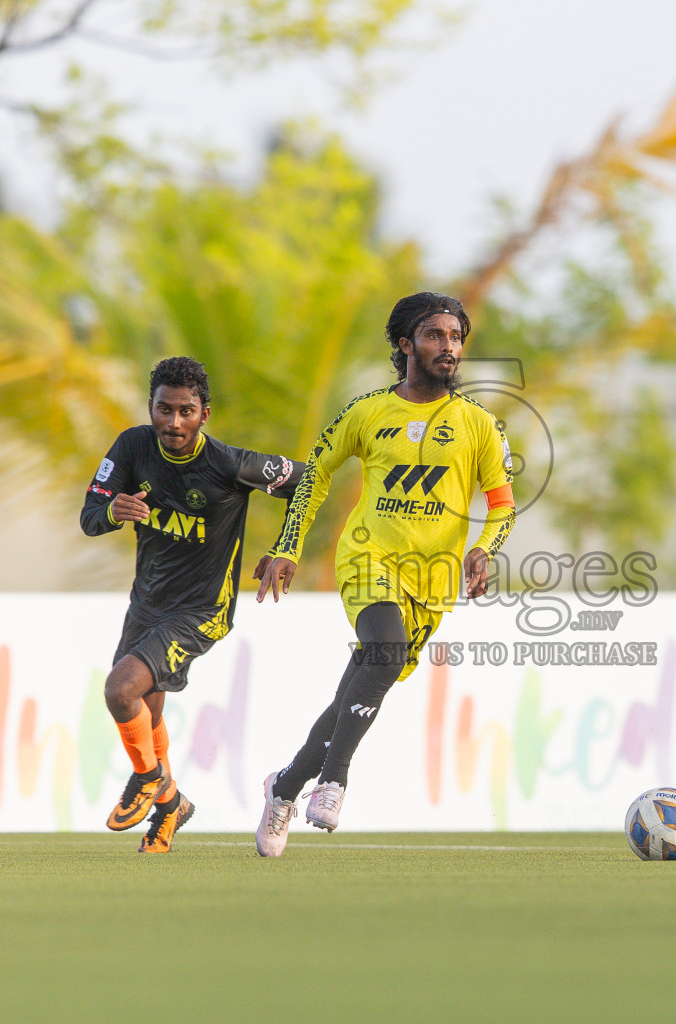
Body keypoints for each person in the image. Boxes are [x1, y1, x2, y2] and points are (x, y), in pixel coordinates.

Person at [252, 292, 516, 857]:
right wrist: (288, 547)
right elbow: (314, 475)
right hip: (368, 559)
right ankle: (335, 779)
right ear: (405, 344)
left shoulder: (479, 424)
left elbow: (503, 503)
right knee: (386, 655)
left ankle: (287, 784)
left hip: (434, 580)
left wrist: (486, 549)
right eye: (434, 335)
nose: (448, 347)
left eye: (455, 337)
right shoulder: (367, 412)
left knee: (363, 681)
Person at [81, 356, 303, 852]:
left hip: (203, 608)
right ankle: (170, 807)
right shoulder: (132, 446)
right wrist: (112, 511)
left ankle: (149, 780)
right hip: (148, 601)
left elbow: (306, 484)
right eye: (164, 410)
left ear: (205, 414)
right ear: (151, 408)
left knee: (120, 691)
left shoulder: (230, 464)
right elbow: (89, 516)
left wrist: (286, 549)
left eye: (186, 411)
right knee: (145, 708)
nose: (173, 422)